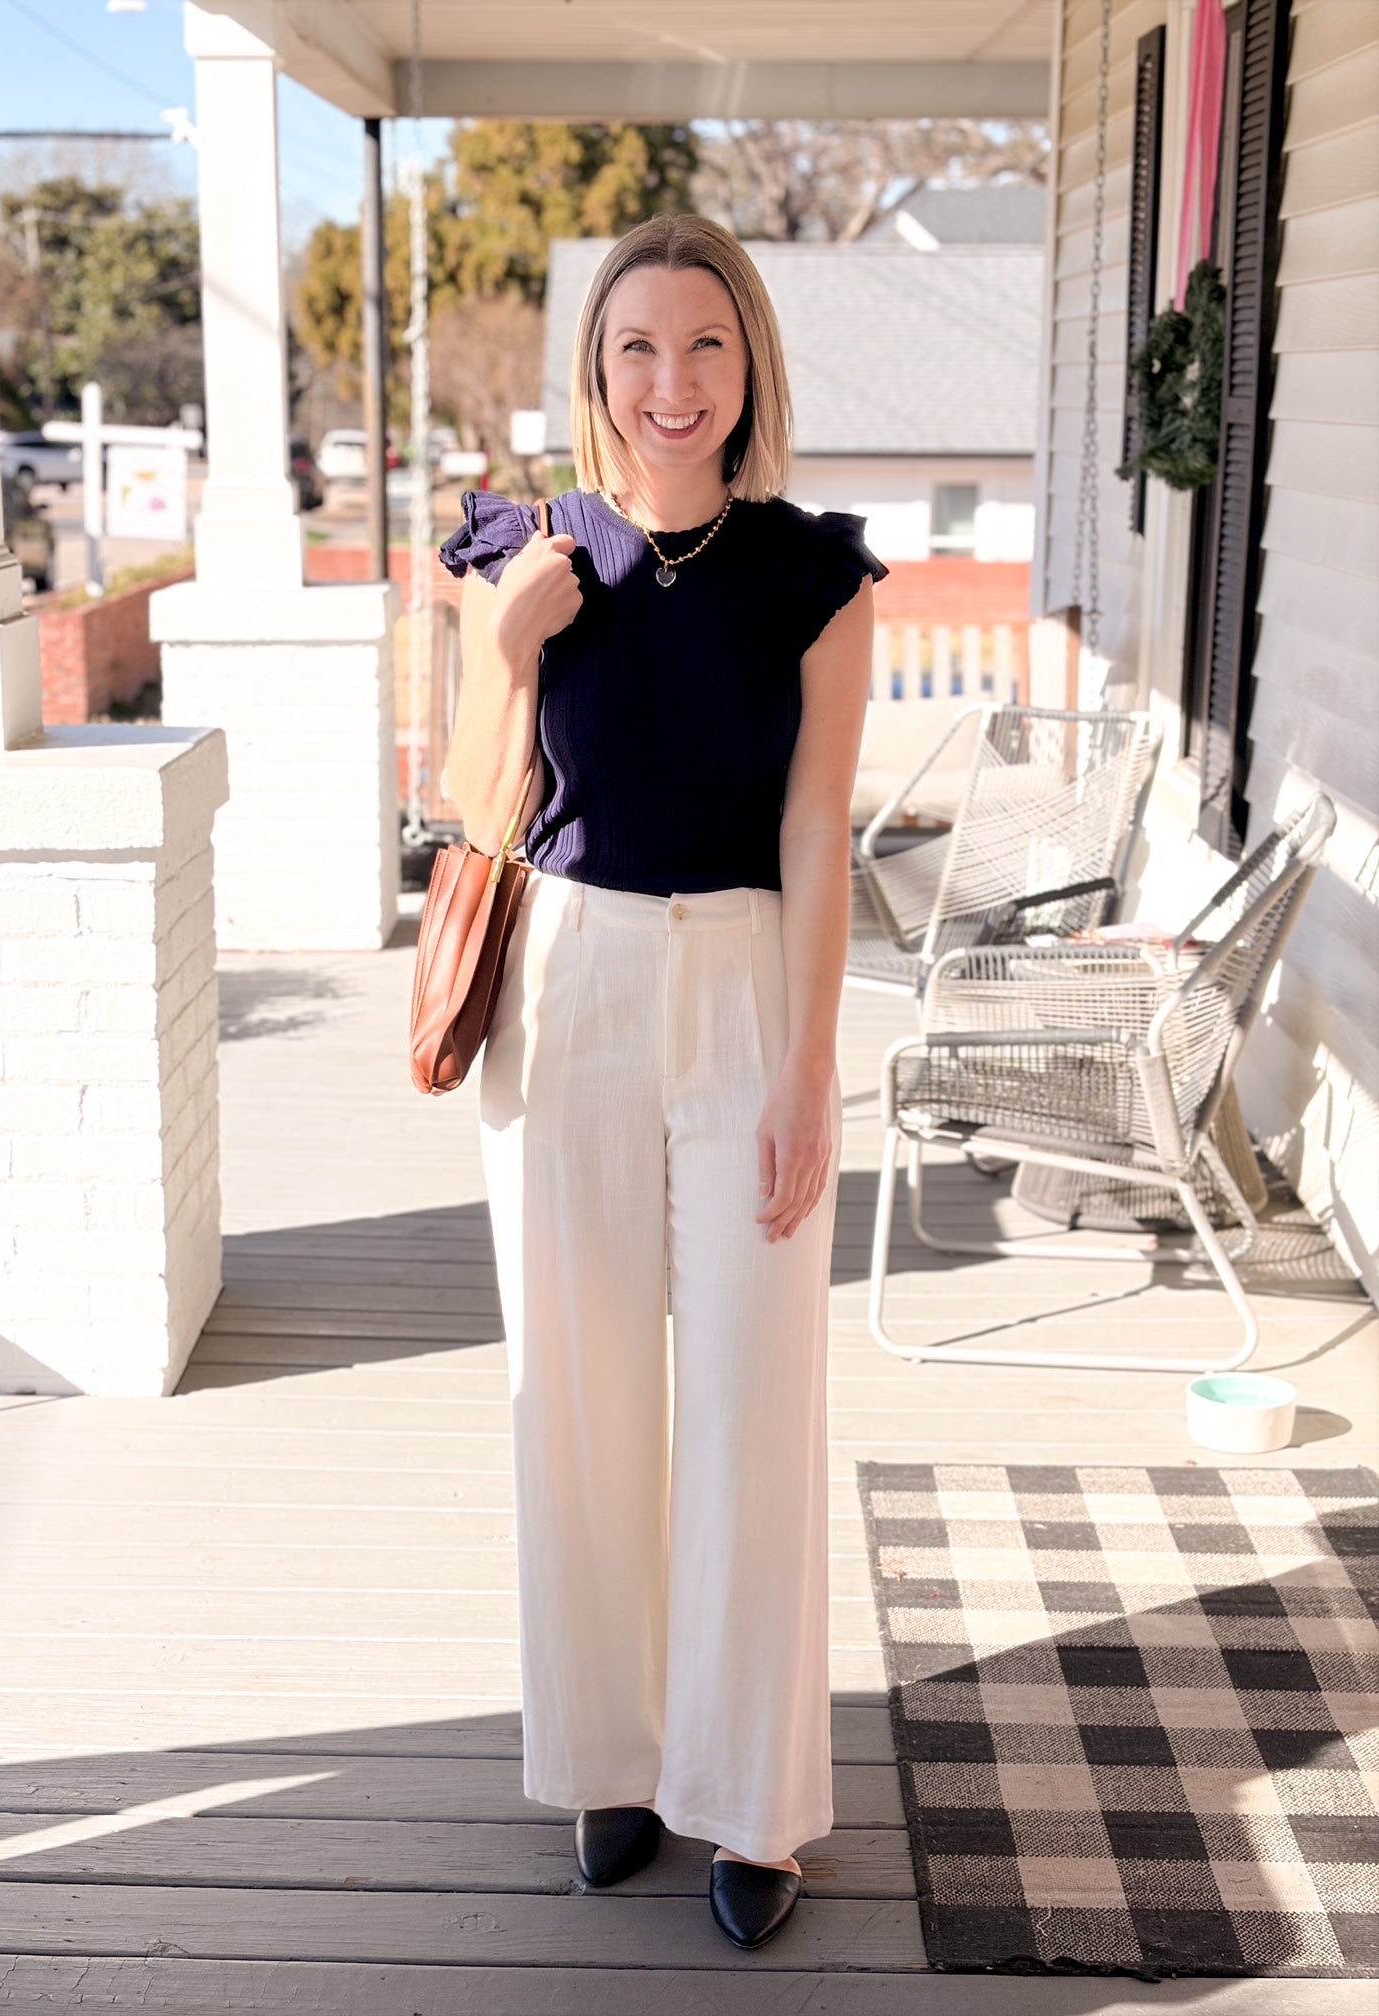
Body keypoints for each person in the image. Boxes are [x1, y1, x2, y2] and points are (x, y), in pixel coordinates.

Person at [438, 213, 884, 1950]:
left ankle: (753, 1801)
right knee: (580, 1392)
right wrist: (508, 648)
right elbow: (475, 799)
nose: (673, 380)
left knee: (756, 1405)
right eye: (639, 345)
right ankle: (612, 1765)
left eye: (709, 343)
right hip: (569, 984)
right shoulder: (522, 551)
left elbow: (817, 834)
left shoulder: (813, 576)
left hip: (749, 988)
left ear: (750, 364)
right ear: (596, 368)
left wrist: (811, 1064)